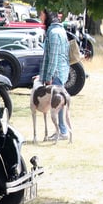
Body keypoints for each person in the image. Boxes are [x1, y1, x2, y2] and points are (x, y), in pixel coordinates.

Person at [39, 8, 70, 141]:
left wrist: (48, 77)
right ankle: (61, 130)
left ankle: (62, 131)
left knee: (58, 105)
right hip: (59, 72)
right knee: (60, 104)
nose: (40, 16)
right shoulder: (58, 30)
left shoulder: (54, 33)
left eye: (41, 14)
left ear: (47, 15)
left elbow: (53, 58)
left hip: (57, 74)